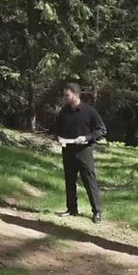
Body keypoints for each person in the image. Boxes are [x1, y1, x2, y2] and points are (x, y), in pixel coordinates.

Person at [54, 82, 107, 224]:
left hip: (84, 151)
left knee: (89, 180)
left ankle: (97, 212)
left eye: (67, 95)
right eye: (64, 95)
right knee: (70, 180)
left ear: (76, 95)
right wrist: (59, 138)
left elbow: (102, 130)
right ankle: (71, 209)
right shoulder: (64, 112)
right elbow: (57, 129)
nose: (65, 98)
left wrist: (86, 138)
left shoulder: (89, 111)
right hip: (67, 150)